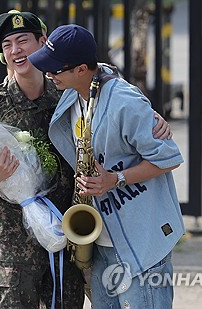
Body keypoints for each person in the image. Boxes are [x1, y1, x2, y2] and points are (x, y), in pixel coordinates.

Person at [0, 11, 173, 308]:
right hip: (14, 243)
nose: (16, 50)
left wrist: (151, 116)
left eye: (23, 40)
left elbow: (103, 79)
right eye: (7, 45)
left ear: (43, 42)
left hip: (67, 236)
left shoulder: (67, 91)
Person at [27, 24, 185, 309]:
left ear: (81, 69)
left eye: (55, 69)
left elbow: (169, 158)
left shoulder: (126, 102)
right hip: (103, 241)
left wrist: (116, 179)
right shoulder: (72, 94)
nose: (49, 75)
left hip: (142, 239)